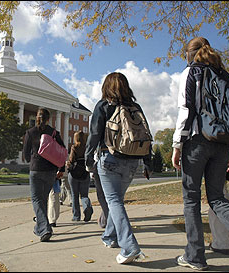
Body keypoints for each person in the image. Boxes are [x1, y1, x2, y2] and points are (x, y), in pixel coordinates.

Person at [172, 36, 229, 272]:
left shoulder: (191, 73)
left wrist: (176, 144)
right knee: (218, 199)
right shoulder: (222, 75)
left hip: (196, 142)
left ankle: (194, 256)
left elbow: (186, 109)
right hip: (222, 143)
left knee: (191, 200)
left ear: (189, 53)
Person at [85, 72, 151, 265]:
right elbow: (144, 134)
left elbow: (94, 134)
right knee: (117, 201)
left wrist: (89, 159)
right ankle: (109, 237)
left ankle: (129, 246)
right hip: (132, 161)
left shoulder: (103, 105)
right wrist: (147, 162)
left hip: (109, 158)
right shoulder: (135, 107)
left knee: (114, 201)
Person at [23, 108, 66, 242]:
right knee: (43, 199)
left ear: (37, 118)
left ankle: (44, 228)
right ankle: (40, 227)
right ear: (49, 119)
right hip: (50, 171)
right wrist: (61, 168)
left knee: (37, 199)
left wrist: (32, 160)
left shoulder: (30, 132)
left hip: (36, 169)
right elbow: (62, 151)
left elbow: (25, 153)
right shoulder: (54, 133)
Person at [66, 131, 93, 222]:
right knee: (84, 195)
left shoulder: (74, 147)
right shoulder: (87, 147)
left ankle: (76, 216)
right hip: (85, 172)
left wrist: (68, 165)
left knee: (75, 195)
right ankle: (87, 207)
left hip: (74, 173)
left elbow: (71, 160)